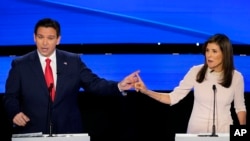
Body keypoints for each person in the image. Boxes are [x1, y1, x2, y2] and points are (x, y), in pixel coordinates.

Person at [3, 18, 140, 135]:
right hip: (33, 130)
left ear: (58, 40)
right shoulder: (20, 64)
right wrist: (14, 113)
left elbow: (94, 83)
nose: (45, 43)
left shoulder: (73, 61)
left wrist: (119, 85)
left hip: (68, 131)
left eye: (50, 38)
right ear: (34, 38)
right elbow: (10, 96)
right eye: (40, 37)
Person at [135, 33, 247, 134]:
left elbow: (240, 108)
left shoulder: (236, 77)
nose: (209, 55)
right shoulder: (196, 72)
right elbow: (172, 98)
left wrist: (242, 134)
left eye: (214, 51)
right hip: (196, 131)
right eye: (207, 50)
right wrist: (146, 91)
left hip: (224, 132)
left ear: (225, 54)